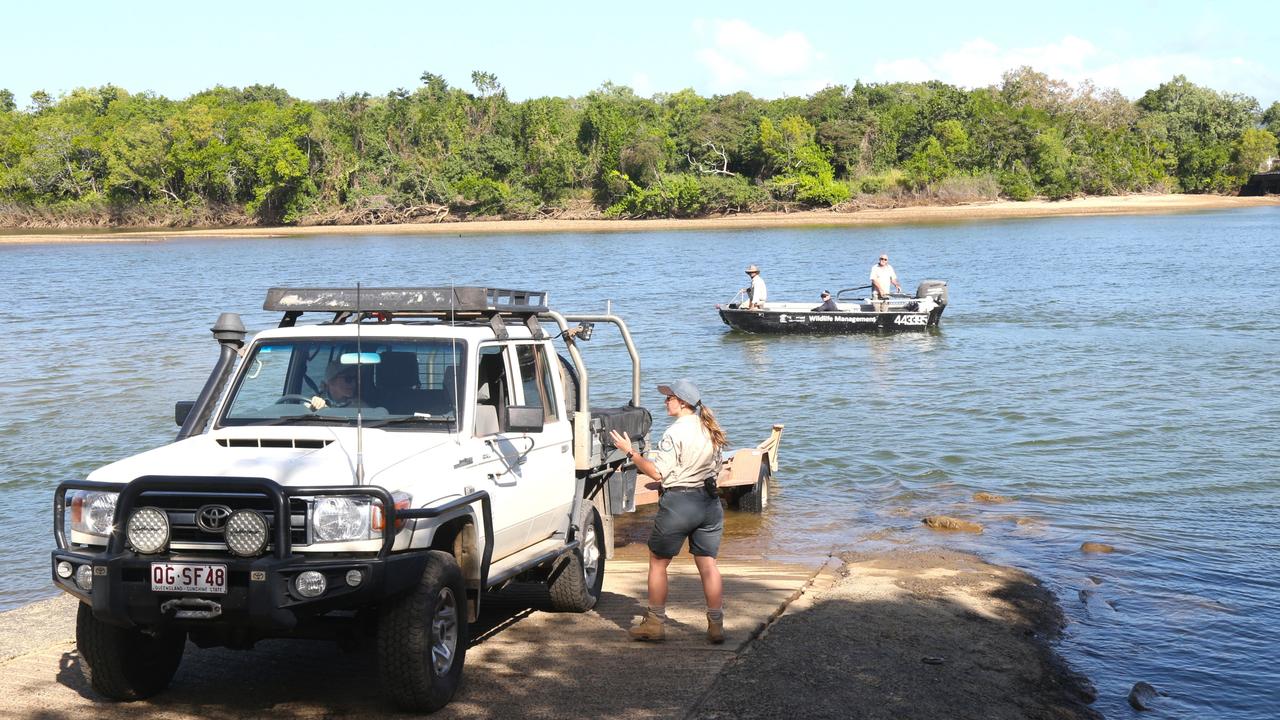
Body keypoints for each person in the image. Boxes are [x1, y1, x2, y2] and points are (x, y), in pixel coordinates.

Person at [609, 379, 729, 644]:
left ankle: (654, 623)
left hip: (679, 505)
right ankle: (716, 625)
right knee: (708, 565)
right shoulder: (710, 428)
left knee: (658, 563)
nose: (665, 402)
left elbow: (657, 471)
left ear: (683, 402)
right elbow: (712, 470)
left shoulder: (674, 433)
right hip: (709, 503)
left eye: (669, 398)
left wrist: (630, 452)